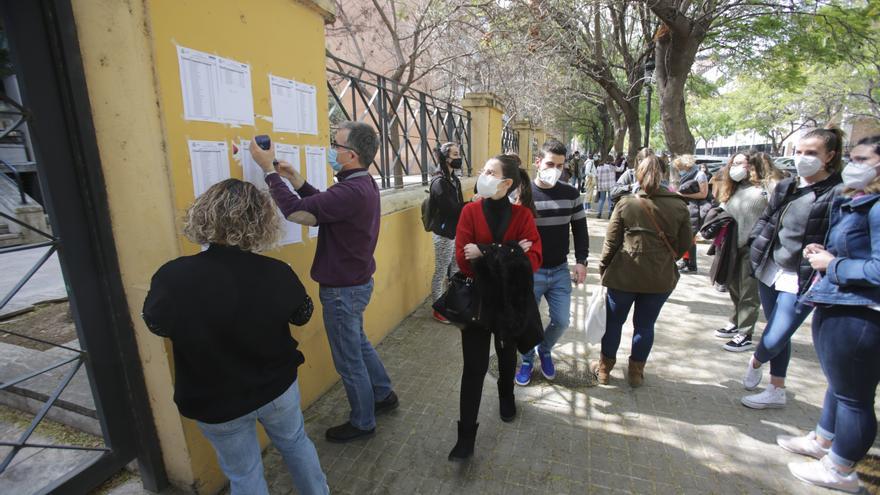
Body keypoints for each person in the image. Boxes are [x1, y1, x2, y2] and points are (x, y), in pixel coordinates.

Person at [142, 179, 328, 495]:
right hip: (275, 388)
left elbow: (157, 324)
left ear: (204, 215)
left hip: (215, 397)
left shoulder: (172, 276)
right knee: (295, 443)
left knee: (244, 474)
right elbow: (302, 314)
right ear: (261, 221)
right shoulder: (275, 271)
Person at [250, 122, 397, 443]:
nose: (332, 149)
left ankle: (363, 422)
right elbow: (324, 206)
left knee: (349, 361)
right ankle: (384, 395)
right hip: (356, 284)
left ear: (351, 155)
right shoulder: (362, 184)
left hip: (343, 291)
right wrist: (295, 179)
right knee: (358, 344)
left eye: (336, 145)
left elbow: (299, 213)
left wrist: (268, 172)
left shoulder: (350, 190)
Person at [779, 135, 880, 493]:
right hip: (839, 302)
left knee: (854, 396)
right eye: (851, 158)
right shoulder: (858, 199)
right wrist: (825, 252)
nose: (854, 165)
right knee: (840, 386)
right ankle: (825, 441)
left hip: (861, 313)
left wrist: (834, 265)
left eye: (863, 159)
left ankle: (841, 469)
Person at [740, 128, 844, 409]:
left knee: (777, 333)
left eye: (811, 153)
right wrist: (755, 244)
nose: (802, 158)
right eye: (798, 152)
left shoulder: (838, 192)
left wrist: (827, 254)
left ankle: (755, 359)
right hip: (770, 268)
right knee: (777, 330)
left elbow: (842, 235)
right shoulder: (788, 186)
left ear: (830, 156)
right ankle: (777, 388)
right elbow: (767, 219)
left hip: (803, 276)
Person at [448, 154, 543, 461]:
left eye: (490, 172)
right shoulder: (470, 211)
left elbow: (532, 262)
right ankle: (465, 437)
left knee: (506, 356)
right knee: (473, 369)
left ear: (506, 183)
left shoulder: (523, 216)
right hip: (477, 302)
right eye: (483, 170)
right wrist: (512, 252)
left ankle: (506, 396)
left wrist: (487, 251)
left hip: (509, 303)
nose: (483, 175)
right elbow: (464, 259)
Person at [591, 156, 692, 387]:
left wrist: (603, 267)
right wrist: (666, 258)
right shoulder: (679, 205)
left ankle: (605, 370)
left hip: (624, 276)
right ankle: (636, 373)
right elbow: (686, 243)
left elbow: (611, 242)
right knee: (645, 326)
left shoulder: (626, 203)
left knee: (614, 323)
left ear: (637, 174)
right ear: (664, 174)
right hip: (659, 277)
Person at [514, 140, 589, 386]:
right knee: (526, 320)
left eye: (559, 165)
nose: (554, 169)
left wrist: (581, 261)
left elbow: (580, 229)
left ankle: (544, 350)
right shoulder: (523, 195)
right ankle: (526, 360)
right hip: (530, 271)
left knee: (562, 320)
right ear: (537, 162)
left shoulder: (571, 193)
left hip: (559, 270)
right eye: (549, 163)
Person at [711, 152, 782, 352]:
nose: (737, 167)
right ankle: (735, 321)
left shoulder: (767, 187)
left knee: (749, 292)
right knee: (733, 286)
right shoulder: (735, 187)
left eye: (742, 164)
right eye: (733, 163)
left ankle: (746, 332)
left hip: (754, 247)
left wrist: (769, 175)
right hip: (731, 245)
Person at [429, 142, 465, 324]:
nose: (459, 158)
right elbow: (451, 209)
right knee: (441, 270)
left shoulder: (454, 180)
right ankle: (437, 308)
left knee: (456, 268)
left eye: (459, 154)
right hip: (444, 233)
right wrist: (472, 204)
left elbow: (459, 206)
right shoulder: (439, 182)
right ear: (445, 158)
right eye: (455, 154)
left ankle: (452, 303)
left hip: (455, 231)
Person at [673, 154, 710, 273]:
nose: (679, 170)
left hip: (695, 210)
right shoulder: (689, 175)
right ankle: (686, 261)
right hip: (687, 208)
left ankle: (691, 264)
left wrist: (683, 195)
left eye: (680, 167)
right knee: (687, 237)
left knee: (690, 237)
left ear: (686, 165)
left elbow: (703, 194)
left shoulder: (700, 175)